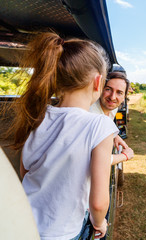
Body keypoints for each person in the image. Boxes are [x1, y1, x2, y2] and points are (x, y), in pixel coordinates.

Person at [11, 32, 118, 239]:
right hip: (61, 233)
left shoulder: (38, 115)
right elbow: (98, 203)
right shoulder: (100, 125)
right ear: (98, 82)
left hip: (22, 222)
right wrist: (100, 223)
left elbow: (25, 171)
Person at [89, 66, 134, 164]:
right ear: (100, 89)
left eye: (119, 92)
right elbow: (98, 160)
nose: (112, 97)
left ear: (124, 97)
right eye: (108, 89)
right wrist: (125, 155)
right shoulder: (91, 116)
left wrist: (115, 136)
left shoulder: (113, 109)